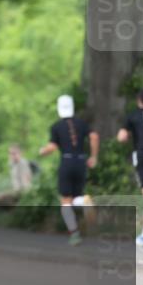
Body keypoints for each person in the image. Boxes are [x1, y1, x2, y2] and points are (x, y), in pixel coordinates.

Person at [39, 94, 99, 246]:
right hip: (81, 162)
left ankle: (74, 234)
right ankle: (84, 201)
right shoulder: (82, 124)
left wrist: (43, 151)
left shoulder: (56, 127)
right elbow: (94, 137)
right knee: (76, 196)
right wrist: (93, 156)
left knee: (65, 200)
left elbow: (52, 146)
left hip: (66, 162)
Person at [117, 87, 143, 248]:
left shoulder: (132, 116)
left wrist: (130, 134)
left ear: (139, 100)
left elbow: (121, 137)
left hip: (142, 157)